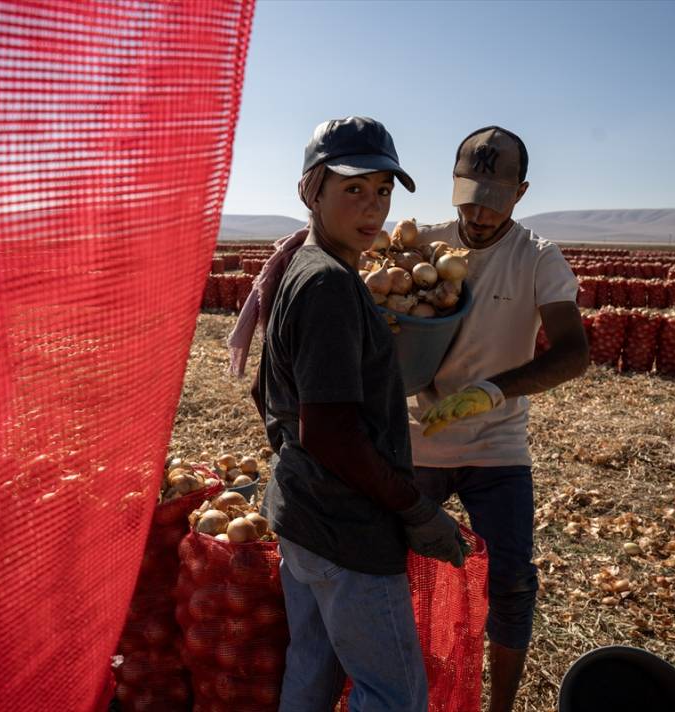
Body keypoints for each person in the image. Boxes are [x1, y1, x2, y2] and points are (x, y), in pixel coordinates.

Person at [229, 116, 466, 712]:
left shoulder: (301, 266)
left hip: (302, 514)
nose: (373, 206)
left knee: (311, 671)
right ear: (312, 191)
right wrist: (416, 510)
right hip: (346, 532)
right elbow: (332, 434)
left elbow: (268, 392)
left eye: (383, 190)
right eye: (353, 188)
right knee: (394, 696)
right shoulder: (329, 284)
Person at [408, 126, 589, 712]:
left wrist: (495, 391)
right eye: (469, 197)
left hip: (497, 444)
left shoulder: (537, 258)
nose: (480, 213)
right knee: (390, 568)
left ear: (521, 192)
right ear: (453, 185)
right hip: (419, 439)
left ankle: (501, 707)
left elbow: (574, 354)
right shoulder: (421, 246)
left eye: (495, 199)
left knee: (511, 581)